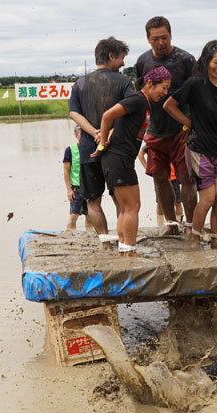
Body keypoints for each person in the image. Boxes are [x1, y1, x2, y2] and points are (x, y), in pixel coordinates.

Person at [164, 40, 217, 249]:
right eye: (215, 62)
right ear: (206, 60)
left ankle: (215, 240)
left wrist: (215, 120)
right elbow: (169, 105)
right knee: (207, 198)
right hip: (199, 148)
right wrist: (189, 122)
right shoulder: (195, 83)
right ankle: (195, 238)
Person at [93, 66, 172, 257]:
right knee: (132, 207)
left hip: (121, 159)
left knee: (127, 207)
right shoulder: (137, 100)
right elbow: (107, 116)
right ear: (150, 83)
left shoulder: (145, 102)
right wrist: (103, 143)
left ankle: (124, 248)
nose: (165, 93)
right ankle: (129, 251)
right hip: (118, 158)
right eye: (164, 87)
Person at [68, 37, 134, 249]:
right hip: (115, 150)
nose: (123, 63)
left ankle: (105, 244)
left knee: (92, 202)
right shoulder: (123, 82)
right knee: (122, 201)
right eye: (121, 58)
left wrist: (94, 132)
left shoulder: (80, 83)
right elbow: (129, 111)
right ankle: (124, 242)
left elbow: (73, 113)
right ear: (111, 56)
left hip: (88, 149)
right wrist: (106, 133)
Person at [136, 16, 197, 236]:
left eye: (165, 37)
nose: (161, 43)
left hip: (182, 130)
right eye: (155, 39)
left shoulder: (186, 59)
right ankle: (171, 223)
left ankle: (190, 225)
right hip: (156, 129)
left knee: (186, 177)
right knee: (160, 176)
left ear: (171, 35)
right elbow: (141, 96)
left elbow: (197, 93)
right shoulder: (143, 61)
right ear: (147, 39)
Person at [138, 145, 183, 226]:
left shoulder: (174, 139)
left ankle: (179, 224)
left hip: (174, 176)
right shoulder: (155, 140)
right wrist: (148, 168)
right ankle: (160, 225)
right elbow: (140, 154)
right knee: (160, 202)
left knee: (178, 202)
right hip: (160, 176)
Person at [62, 125, 92, 230]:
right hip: (76, 188)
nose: (83, 137)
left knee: (90, 216)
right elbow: (66, 171)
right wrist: (69, 190)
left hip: (90, 187)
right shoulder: (70, 150)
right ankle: (70, 236)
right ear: (76, 136)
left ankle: (88, 235)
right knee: (73, 216)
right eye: (81, 134)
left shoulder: (92, 148)